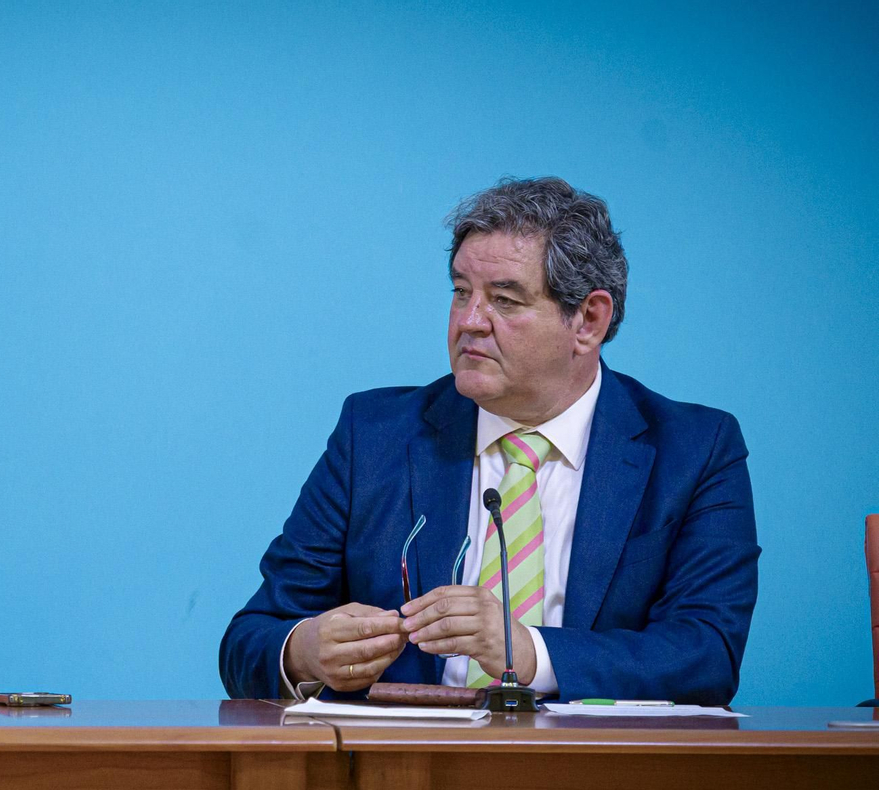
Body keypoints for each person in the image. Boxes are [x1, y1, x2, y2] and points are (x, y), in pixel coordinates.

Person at [219, 177, 758, 705]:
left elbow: (706, 655)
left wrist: (529, 652)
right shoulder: (374, 436)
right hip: (405, 774)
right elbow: (250, 639)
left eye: (504, 299)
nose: (470, 321)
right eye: (460, 292)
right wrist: (303, 653)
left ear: (588, 321)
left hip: (597, 778)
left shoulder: (693, 450)